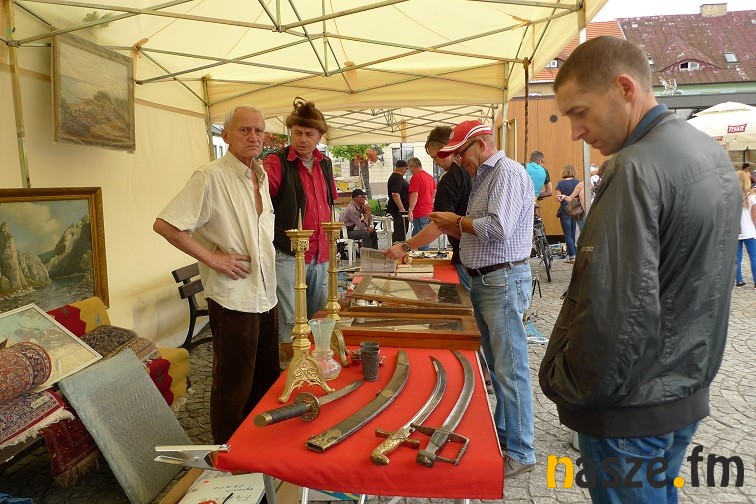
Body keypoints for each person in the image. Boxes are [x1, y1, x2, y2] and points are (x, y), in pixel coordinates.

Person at [538, 36, 741, 503]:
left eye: (579, 112)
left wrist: (569, 385)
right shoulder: (708, 152)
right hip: (681, 389)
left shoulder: (633, 167)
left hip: (629, 406)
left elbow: (612, 308)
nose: (575, 131)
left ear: (624, 89)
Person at [153, 105, 279, 444]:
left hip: (266, 293)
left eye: (259, 130)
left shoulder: (260, 177)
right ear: (226, 135)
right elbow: (166, 224)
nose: (253, 136)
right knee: (233, 385)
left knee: (266, 379)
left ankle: (257, 446)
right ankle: (227, 453)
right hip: (233, 296)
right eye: (244, 130)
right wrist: (212, 259)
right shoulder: (210, 176)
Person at [427, 120, 537, 478]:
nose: (459, 161)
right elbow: (486, 228)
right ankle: (506, 435)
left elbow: (499, 228)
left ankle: (521, 450)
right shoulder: (486, 176)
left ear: (480, 144)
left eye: (461, 153)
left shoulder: (505, 173)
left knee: (509, 368)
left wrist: (457, 221)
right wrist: (457, 225)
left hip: (501, 279)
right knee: (500, 365)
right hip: (489, 280)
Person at [263, 97, 338, 356]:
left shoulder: (325, 163)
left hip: (321, 253)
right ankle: (290, 367)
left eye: (309, 134)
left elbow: (329, 201)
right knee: (291, 322)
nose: (302, 139)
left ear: (319, 137)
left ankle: (316, 362)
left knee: (317, 318)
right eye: (297, 133)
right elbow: (257, 202)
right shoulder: (276, 162)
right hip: (288, 254)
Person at [384, 126, 473, 290]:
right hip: (475, 257)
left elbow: (439, 225)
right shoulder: (470, 173)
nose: (435, 162)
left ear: (447, 149)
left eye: (436, 157)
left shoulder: (450, 179)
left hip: (466, 258)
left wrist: (404, 246)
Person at [406, 157, 436, 250]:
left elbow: (414, 195)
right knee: (421, 237)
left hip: (419, 212)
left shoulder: (416, 177)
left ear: (413, 166)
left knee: (421, 241)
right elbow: (435, 190)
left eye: (409, 168)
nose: (410, 171)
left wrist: (410, 211)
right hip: (428, 210)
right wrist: (429, 199)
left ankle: (424, 258)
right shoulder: (429, 177)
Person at [555, 164, 581, 263]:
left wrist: (561, 197)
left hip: (565, 209)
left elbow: (558, 198)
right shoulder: (578, 182)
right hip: (574, 209)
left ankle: (572, 256)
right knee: (573, 233)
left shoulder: (560, 183)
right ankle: (575, 254)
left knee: (567, 234)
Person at [735, 170, 756, 288]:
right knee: (754, 257)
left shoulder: (730, 197)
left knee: (737, 258)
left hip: (735, 231)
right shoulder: (752, 196)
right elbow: (754, 216)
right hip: (749, 230)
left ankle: (739, 281)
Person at [386, 159, 409, 242]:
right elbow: (395, 194)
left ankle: (398, 246)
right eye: (406, 169)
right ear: (403, 168)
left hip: (397, 209)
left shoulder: (395, 177)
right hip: (398, 210)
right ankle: (397, 247)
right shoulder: (397, 178)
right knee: (400, 231)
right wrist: (402, 209)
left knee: (401, 230)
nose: (406, 171)